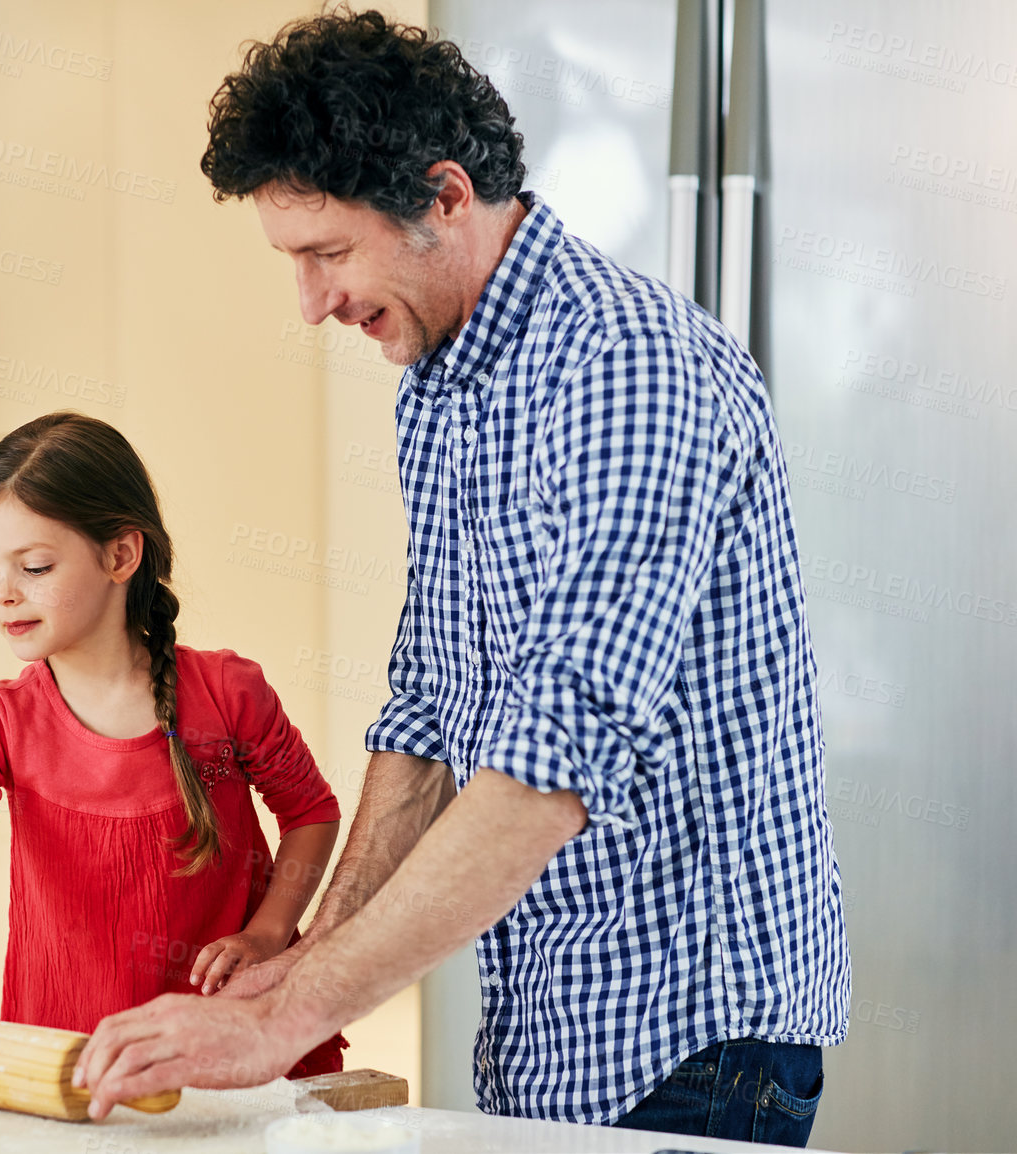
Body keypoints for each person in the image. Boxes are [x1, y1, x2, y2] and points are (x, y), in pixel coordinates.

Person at [71, 11, 849, 1147]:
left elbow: (553, 760)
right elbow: (429, 710)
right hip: (548, 1022)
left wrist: (287, 1016)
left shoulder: (624, 370)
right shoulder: (443, 384)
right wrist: (304, 952)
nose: (310, 302)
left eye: (326, 253)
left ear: (443, 197)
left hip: (694, 1043)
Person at [0, 411, 346, 1078]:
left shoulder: (228, 693)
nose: (5, 596)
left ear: (120, 555)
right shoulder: (3, 719)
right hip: (68, 1066)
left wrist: (269, 933)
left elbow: (311, 812)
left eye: (33, 566)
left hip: (233, 1053)